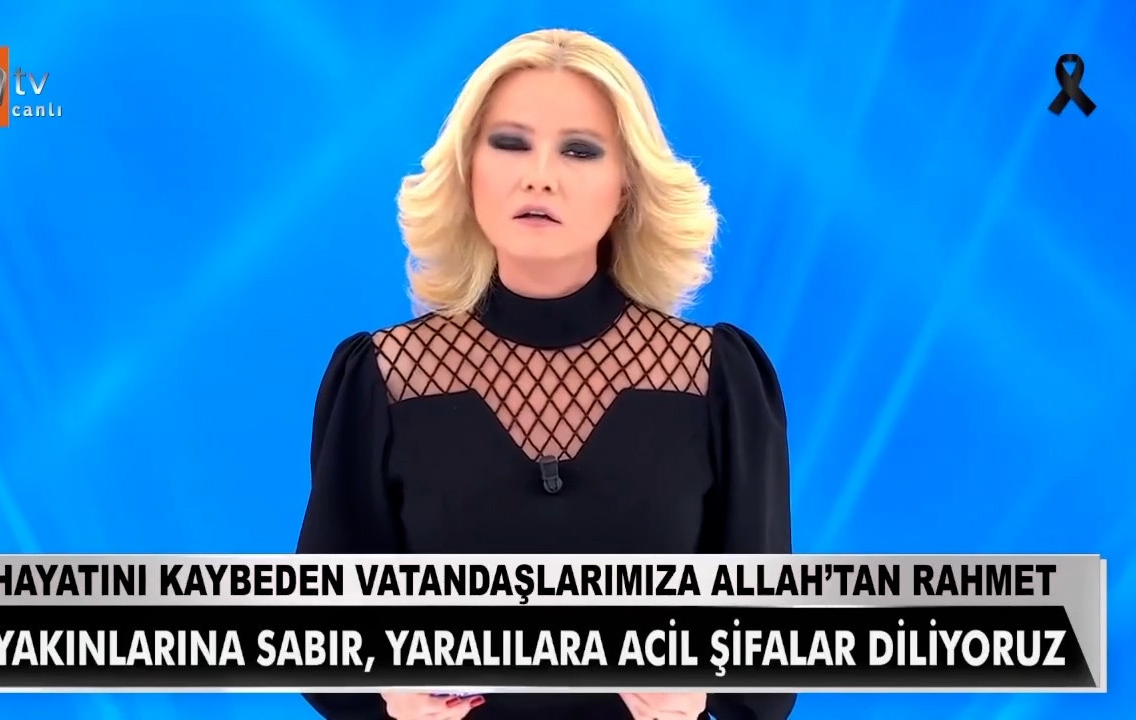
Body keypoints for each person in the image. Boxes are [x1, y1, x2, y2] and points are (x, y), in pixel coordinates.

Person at [296, 28, 794, 720]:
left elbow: (766, 664)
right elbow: (324, 642)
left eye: (579, 150)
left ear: (626, 185)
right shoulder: (383, 377)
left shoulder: (716, 379)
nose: (539, 176)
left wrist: (701, 693)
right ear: (469, 168)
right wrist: (388, 696)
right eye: (510, 143)